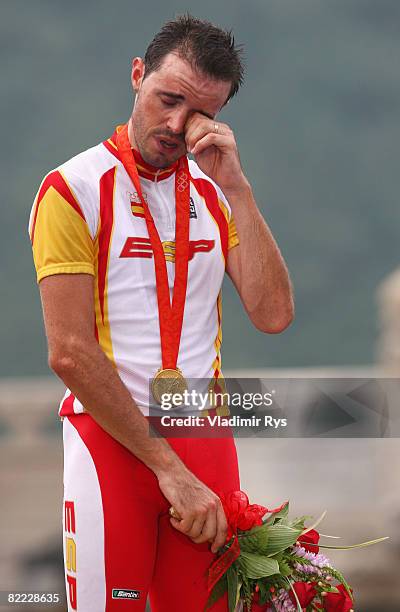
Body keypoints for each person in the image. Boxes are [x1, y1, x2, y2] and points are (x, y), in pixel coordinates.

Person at [28, 15, 293, 612]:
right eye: (167, 98)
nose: (176, 125)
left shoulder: (215, 190)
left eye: (198, 113)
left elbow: (273, 313)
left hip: (205, 437)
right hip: (113, 447)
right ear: (137, 75)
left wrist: (239, 190)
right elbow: (68, 351)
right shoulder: (71, 189)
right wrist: (168, 470)